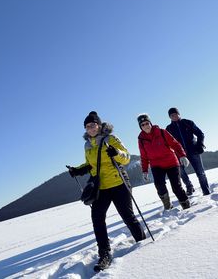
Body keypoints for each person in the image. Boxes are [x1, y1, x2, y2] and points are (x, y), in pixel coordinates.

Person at [68, 111, 146, 272]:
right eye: (87, 126)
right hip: (101, 187)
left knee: (127, 215)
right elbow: (91, 164)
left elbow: (126, 157)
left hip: (119, 183)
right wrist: (78, 170)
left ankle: (142, 241)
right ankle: (104, 253)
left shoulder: (110, 138)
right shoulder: (87, 145)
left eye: (93, 125)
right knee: (97, 219)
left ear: (99, 125)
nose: (90, 128)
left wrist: (116, 153)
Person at [137, 113, 191, 210]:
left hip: (171, 163)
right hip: (156, 165)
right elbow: (144, 156)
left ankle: (185, 204)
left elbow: (175, 144)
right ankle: (167, 205)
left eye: (146, 123)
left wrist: (182, 155)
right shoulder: (141, 139)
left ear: (150, 123)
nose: (145, 126)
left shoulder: (161, 132)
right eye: (142, 125)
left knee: (176, 186)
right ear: (140, 127)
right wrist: (144, 171)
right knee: (159, 185)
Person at [166, 107, 211, 195]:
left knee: (200, 172)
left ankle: (205, 190)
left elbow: (200, 134)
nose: (174, 116)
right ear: (169, 117)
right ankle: (189, 187)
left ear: (179, 114)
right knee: (181, 173)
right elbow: (168, 144)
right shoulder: (169, 129)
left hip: (193, 151)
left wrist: (199, 145)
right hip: (180, 155)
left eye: (175, 114)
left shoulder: (187, 123)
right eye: (171, 115)